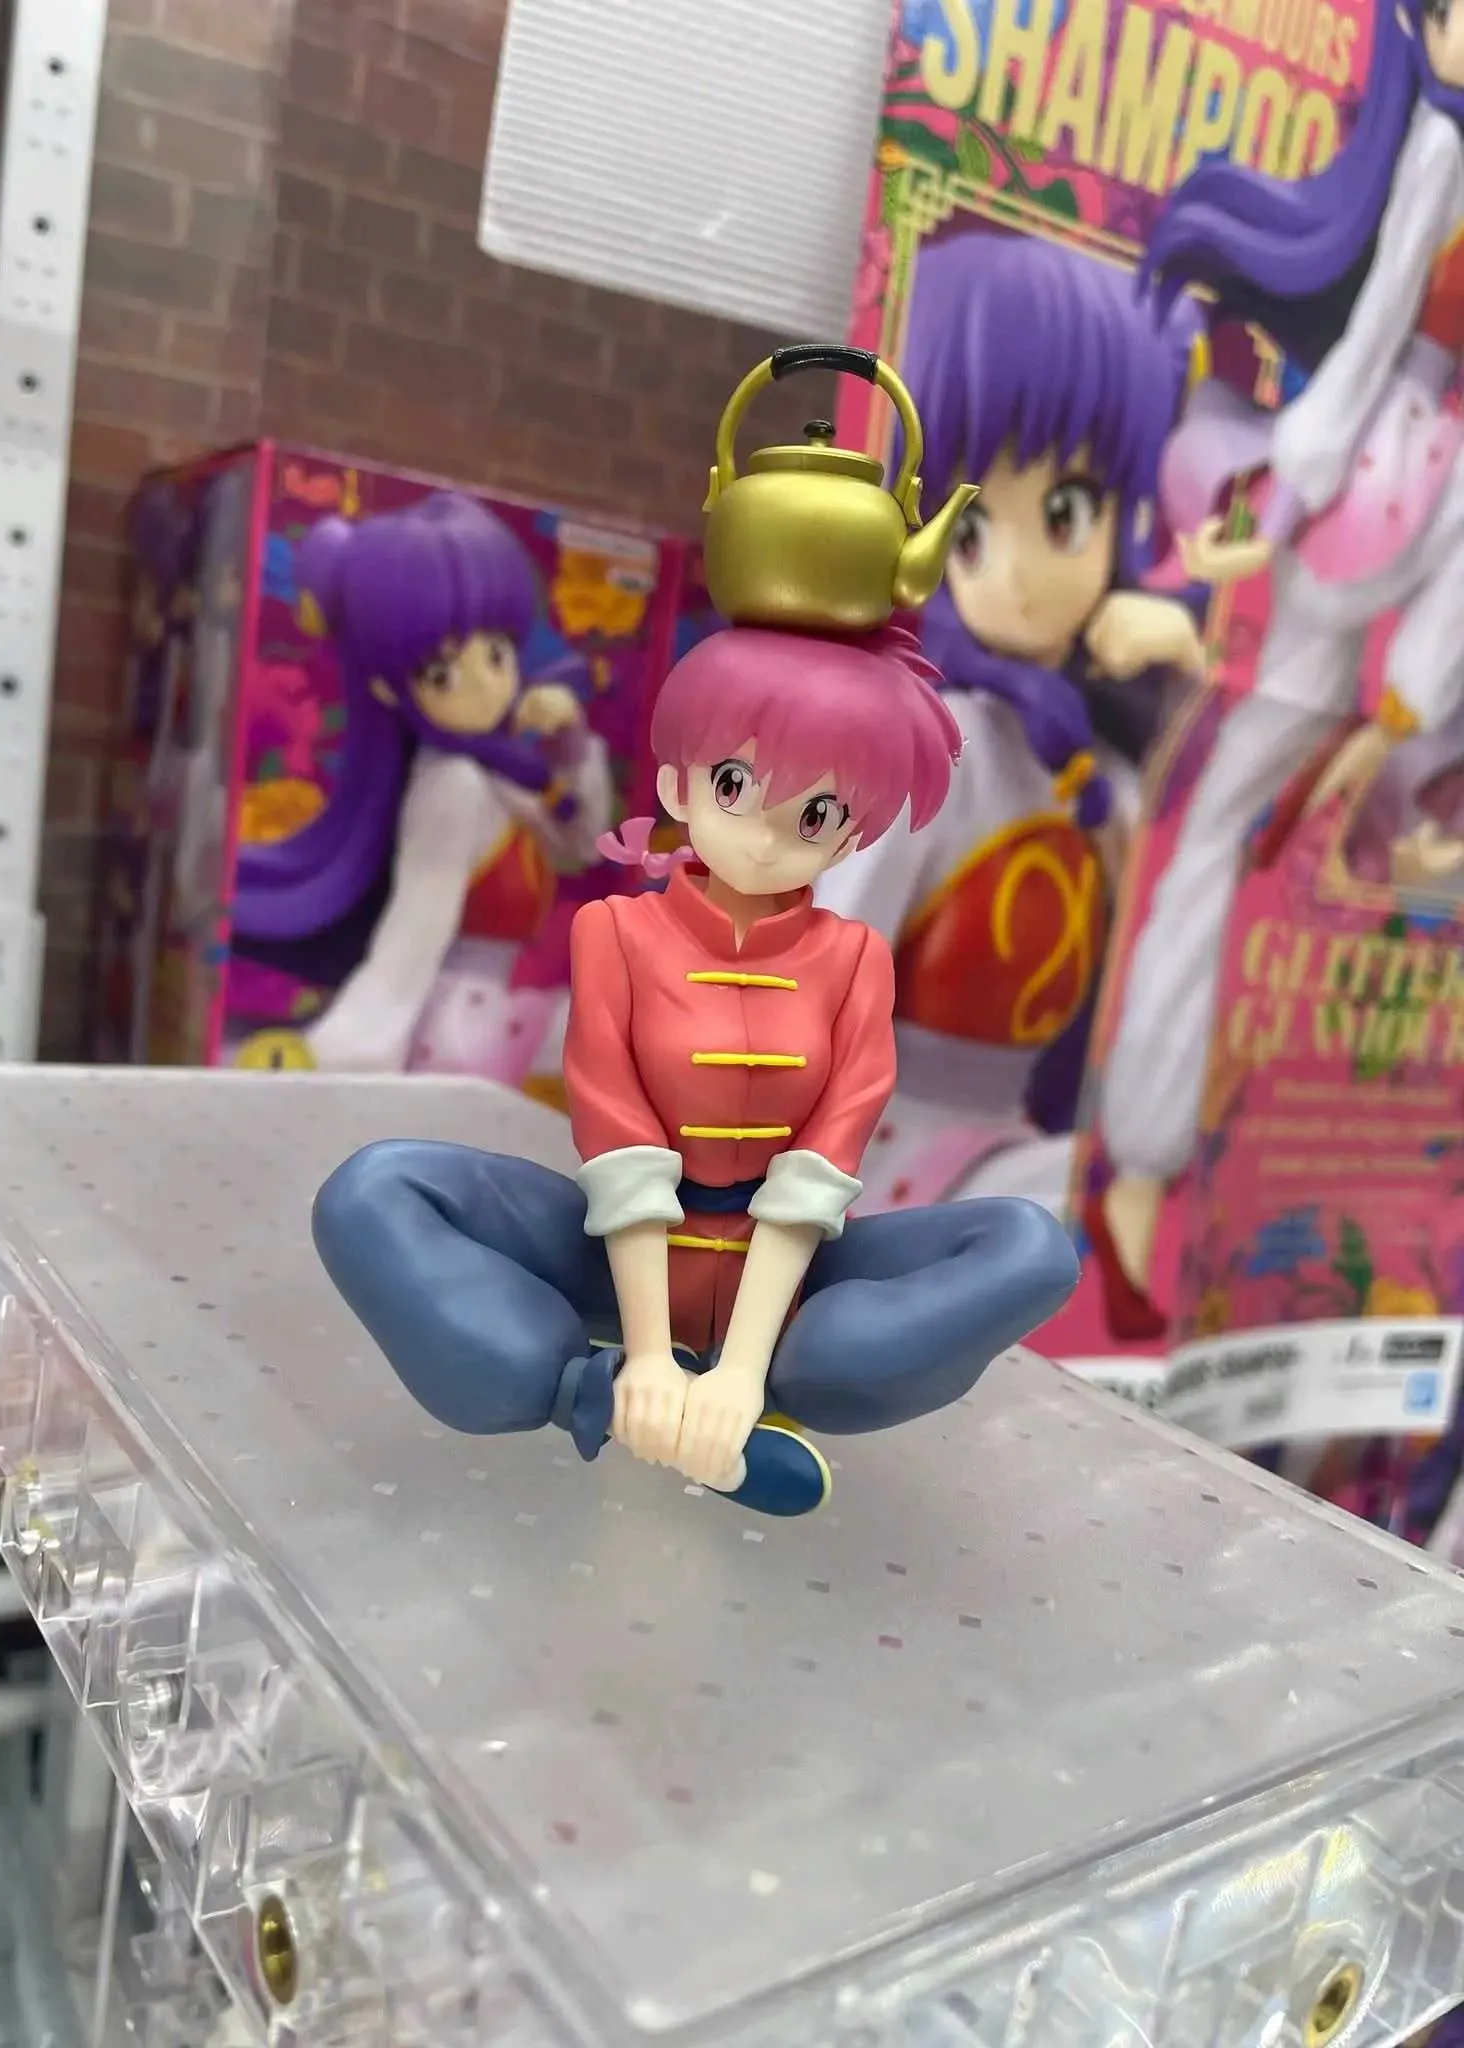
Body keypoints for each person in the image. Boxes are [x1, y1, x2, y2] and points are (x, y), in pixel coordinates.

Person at [312, 622, 1080, 1519]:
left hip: (791, 1280)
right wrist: (645, 1360)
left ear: (851, 836)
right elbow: (618, 1139)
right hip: (618, 1253)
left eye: (816, 816)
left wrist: (741, 1374)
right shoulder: (615, 934)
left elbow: (820, 1167)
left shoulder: (857, 961)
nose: (765, 839)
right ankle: (592, 1398)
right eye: (735, 786)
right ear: (680, 783)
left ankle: (780, 1397)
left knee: (1031, 1247)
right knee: (374, 1191)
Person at [1089, 0, 1464, 1336]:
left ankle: (1185, 1184)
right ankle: (1146, 1167)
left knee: (1283, 874)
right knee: (1222, 851)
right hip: (1362, 527)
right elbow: (1354, 366)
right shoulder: (1429, 151)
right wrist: (1256, 528)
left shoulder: (1436, 156)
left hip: (1398, 532)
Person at [814, 232, 1205, 1216]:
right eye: (970, 530)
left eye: (1067, 513)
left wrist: (1196, 685)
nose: (1021, 577)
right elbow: (828, 966)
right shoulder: (922, 742)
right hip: (877, 1160)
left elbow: (1187, 939)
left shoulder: (1098, 761)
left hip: (1005, 1144)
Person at [234, 492, 612, 1078]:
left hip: (494, 1017)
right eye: (442, 673)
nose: (485, 685)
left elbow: (581, 844)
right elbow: (412, 942)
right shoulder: (454, 785)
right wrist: (339, 1065)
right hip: (458, 1028)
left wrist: (571, 743)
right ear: (387, 688)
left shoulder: (500, 771)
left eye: (496, 652)